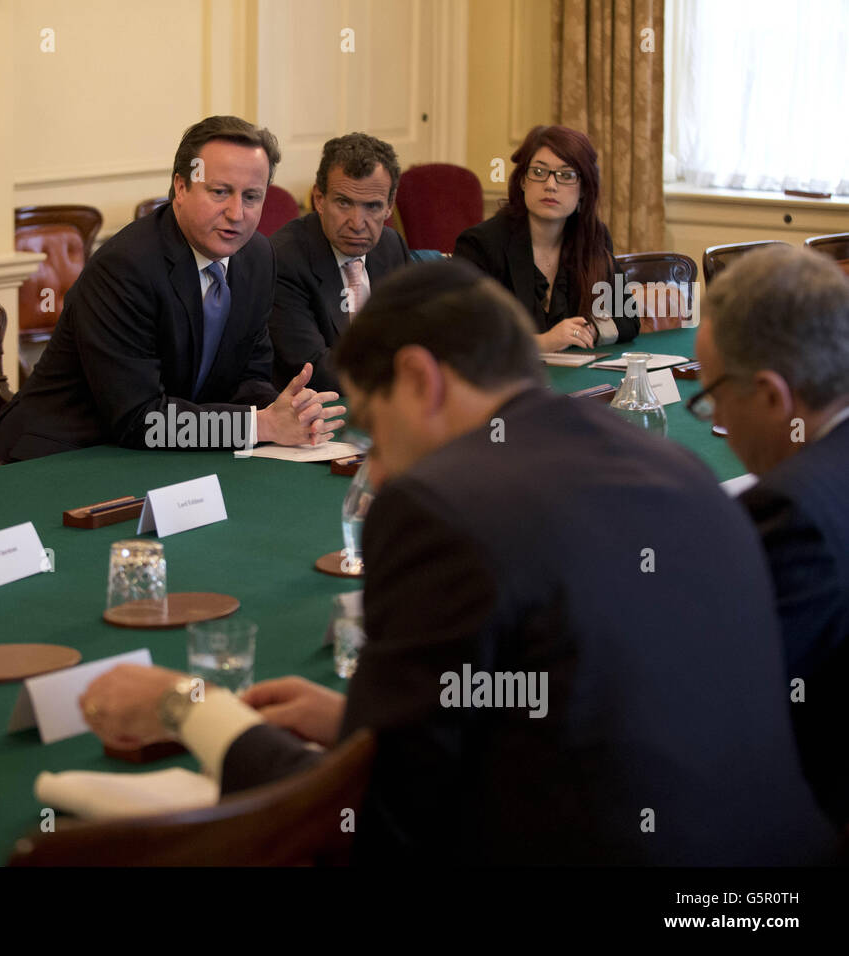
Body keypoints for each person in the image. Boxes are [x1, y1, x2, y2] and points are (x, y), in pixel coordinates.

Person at [79, 259, 835, 865]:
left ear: (418, 378)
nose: (379, 470)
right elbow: (579, 695)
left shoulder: (440, 506)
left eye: (375, 430)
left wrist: (190, 709)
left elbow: (374, 825)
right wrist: (358, 724)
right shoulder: (670, 464)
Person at [0, 115, 343, 461]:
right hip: (64, 454)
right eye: (220, 192)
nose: (237, 213)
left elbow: (248, 377)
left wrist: (282, 411)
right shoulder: (125, 267)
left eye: (252, 197)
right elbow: (140, 420)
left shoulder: (258, 257)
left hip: (164, 453)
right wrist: (258, 424)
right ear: (181, 188)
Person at [692, 243, 849, 826]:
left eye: (715, 401)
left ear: (770, 396)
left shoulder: (792, 510)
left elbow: (727, 707)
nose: (719, 428)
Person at [453, 124, 638, 352]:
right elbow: (467, 333)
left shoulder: (593, 238)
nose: (551, 185)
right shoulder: (481, 244)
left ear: (583, 190)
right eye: (539, 173)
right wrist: (544, 342)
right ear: (523, 181)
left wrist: (591, 330)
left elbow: (628, 318)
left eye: (566, 175)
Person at [268, 133, 410, 392]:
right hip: (316, 409)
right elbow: (313, 368)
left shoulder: (392, 247)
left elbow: (410, 337)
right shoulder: (284, 259)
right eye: (344, 203)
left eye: (373, 206)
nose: (357, 224)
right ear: (319, 199)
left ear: (390, 205)